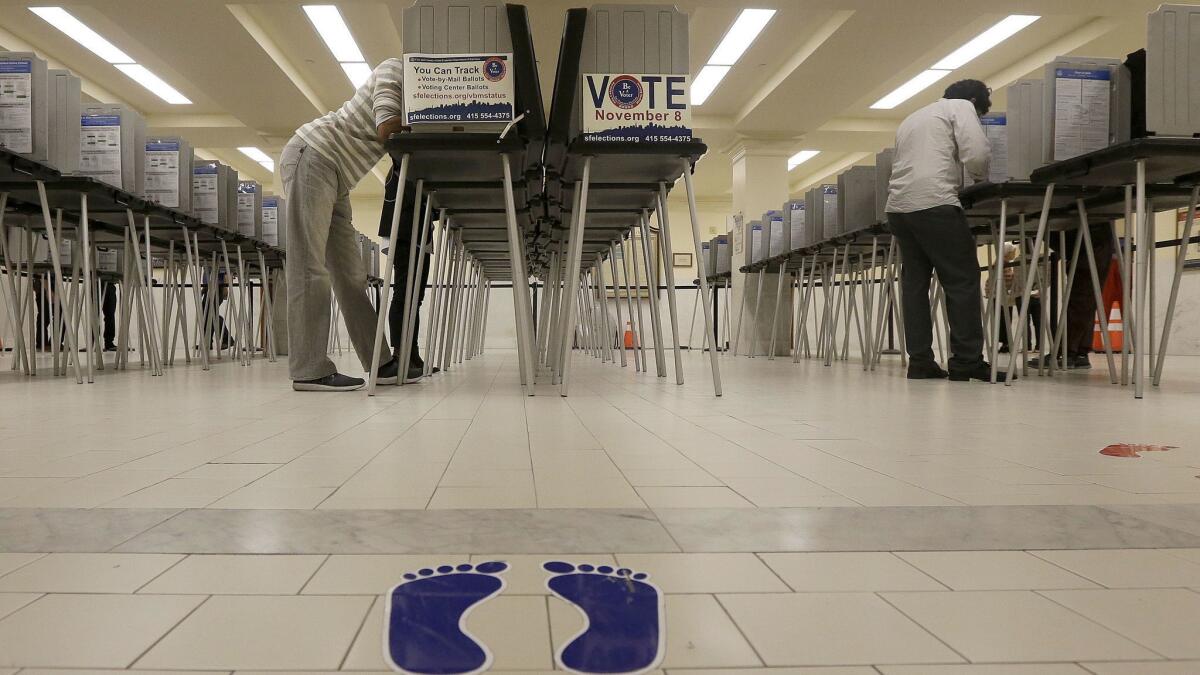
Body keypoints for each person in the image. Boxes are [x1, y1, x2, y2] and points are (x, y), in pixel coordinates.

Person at [283, 59, 409, 392]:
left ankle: (380, 363)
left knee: (350, 274)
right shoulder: (396, 69)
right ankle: (309, 369)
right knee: (309, 265)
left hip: (336, 173)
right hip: (314, 155)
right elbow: (387, 127)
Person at [886, 79, 1006, 382]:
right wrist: (981, 177)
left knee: (915, 285)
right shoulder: (962, 107)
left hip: (899, 208)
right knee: (962, 279)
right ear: (975, 102)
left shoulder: (912, 117)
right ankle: (966, 361)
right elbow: (976, 153)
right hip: (935, 203)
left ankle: (921, 361)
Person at [378, 163, 438, 382]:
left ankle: (412, 353)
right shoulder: (402, 167)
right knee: (405, 295)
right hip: (404, 235)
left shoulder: (412, 169)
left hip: (420, 237)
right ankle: (401, 353)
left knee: (416, 298)